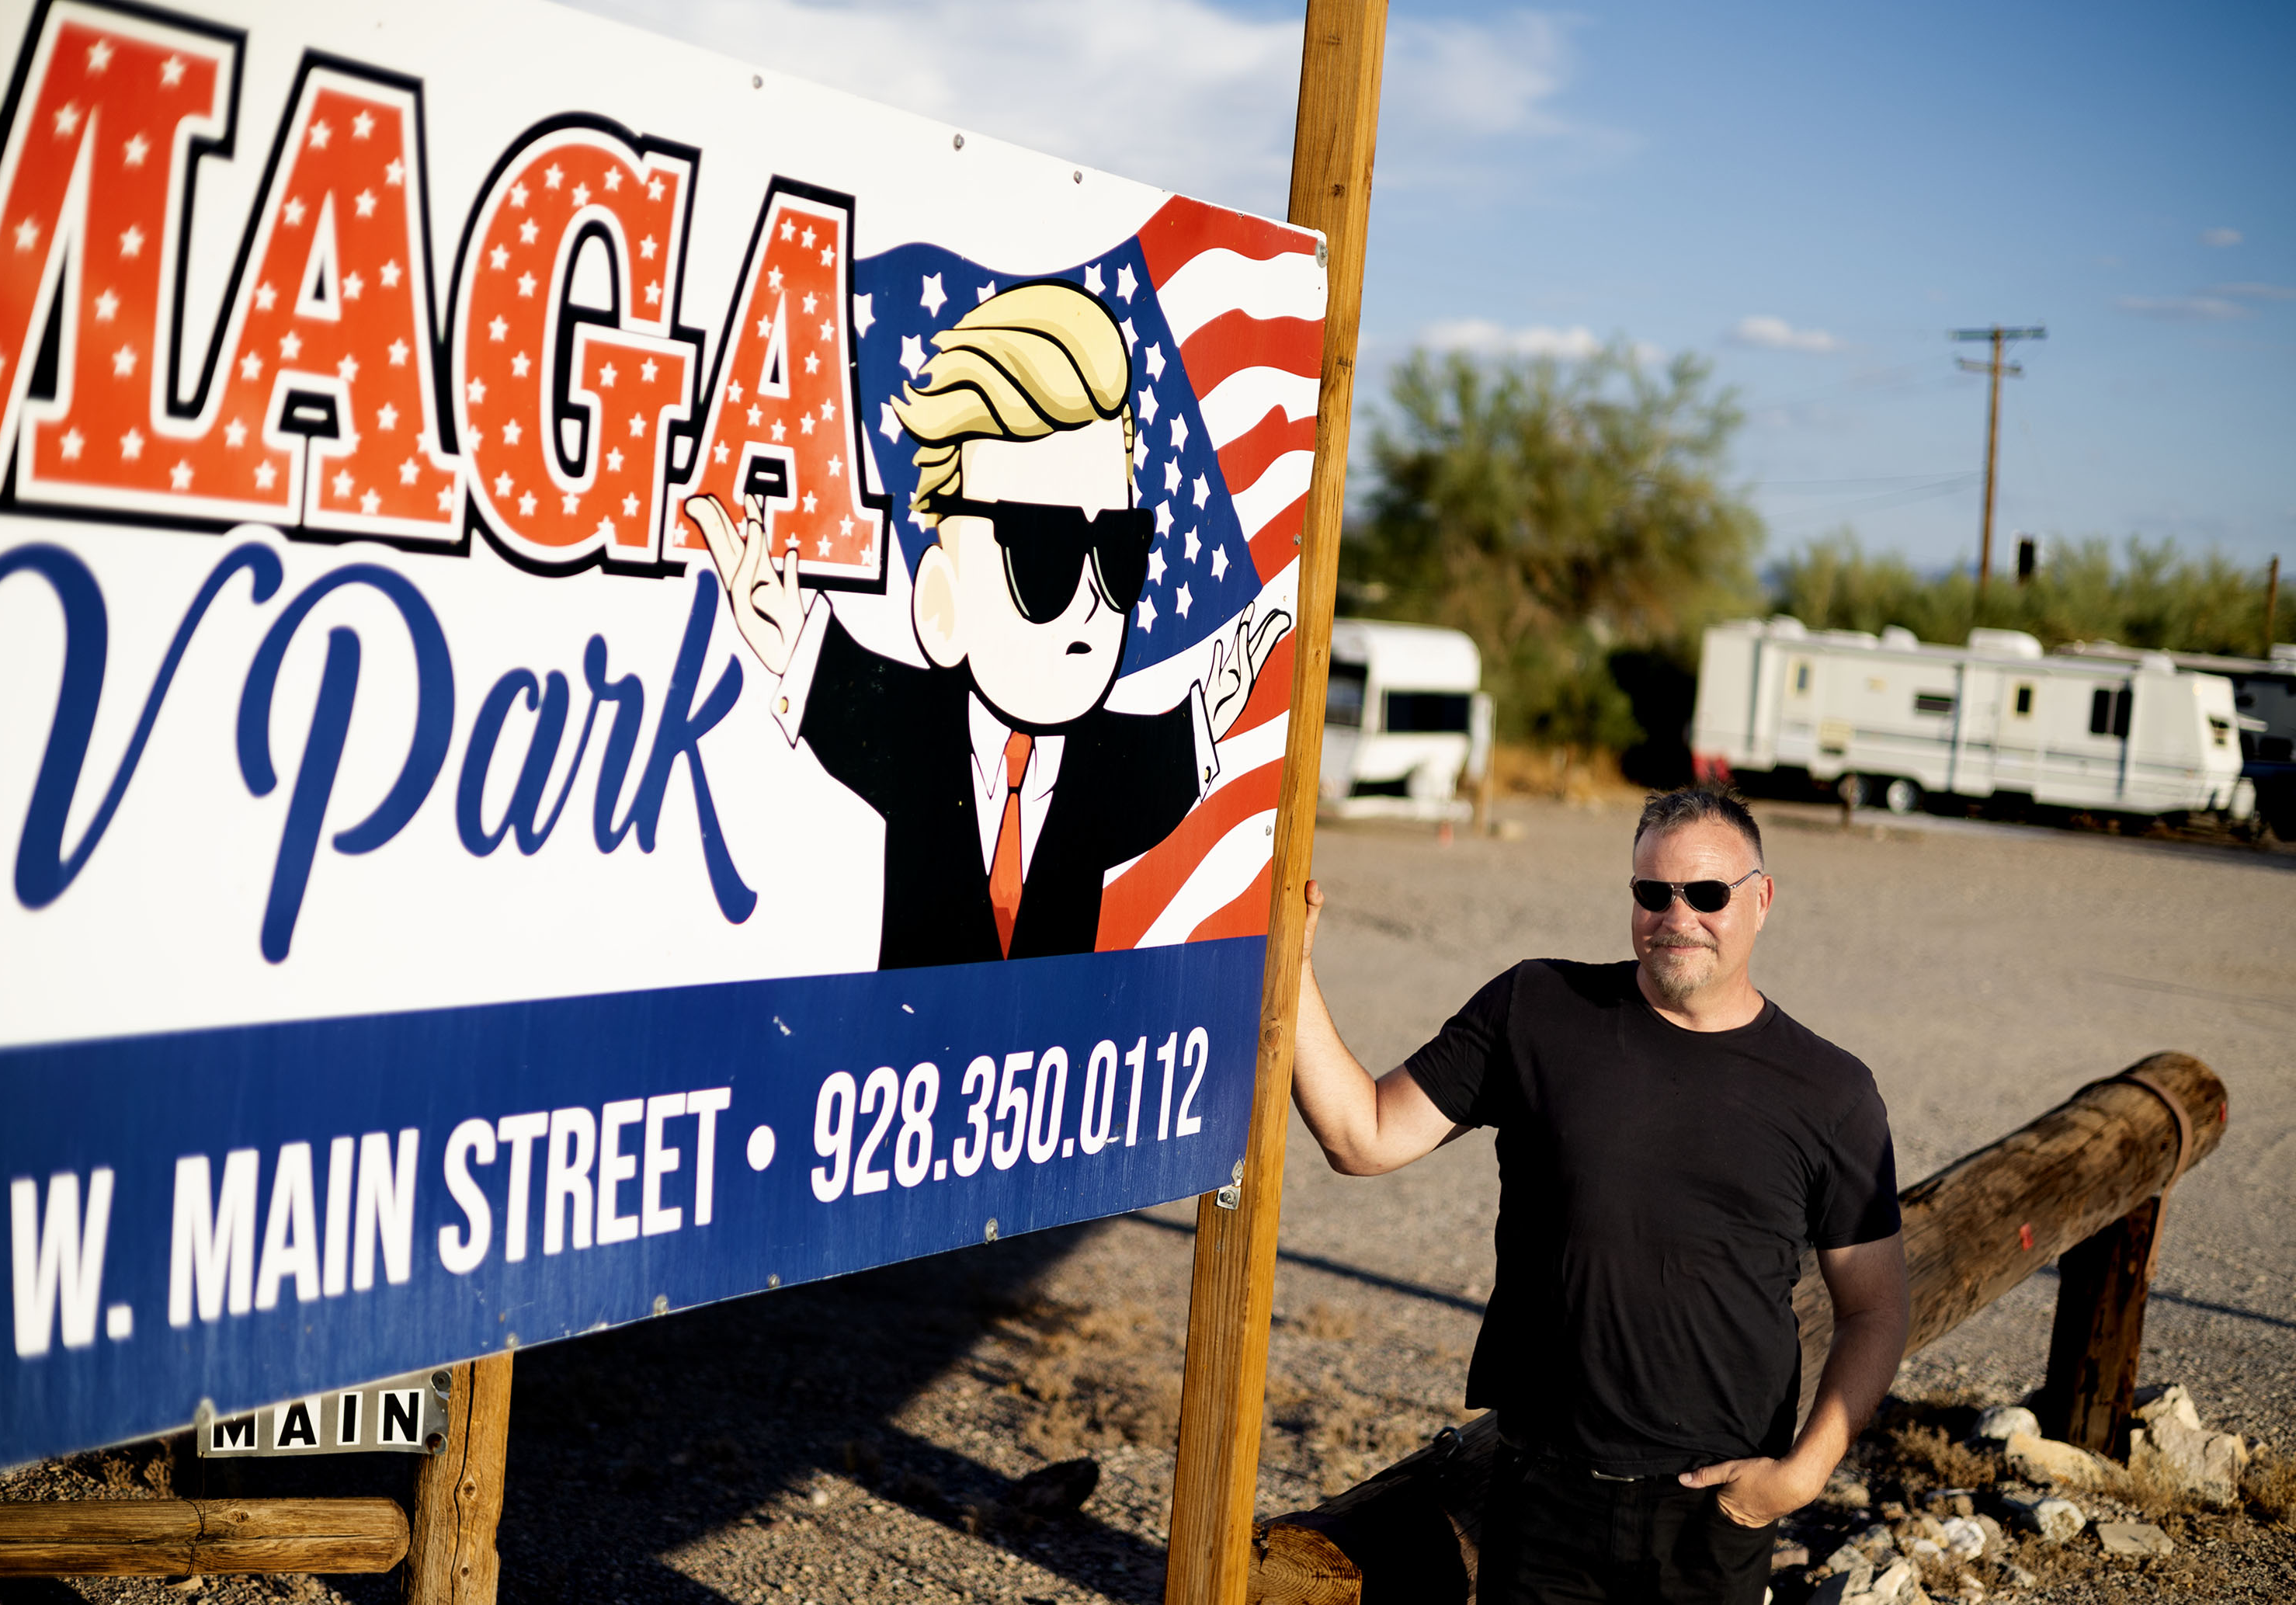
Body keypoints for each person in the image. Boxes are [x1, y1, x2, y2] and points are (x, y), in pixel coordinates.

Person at [1290, 784, 1909, 1605]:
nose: (1676, 914)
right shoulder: (1538, 1010)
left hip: (1714, 1515)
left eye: (1707, 894)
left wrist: (1799, 1476)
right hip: (1544, 1499)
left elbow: (1875, 1305)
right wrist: (1288, 969)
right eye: (1653, 892)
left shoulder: (1831, 1091)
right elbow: (1362, 1135)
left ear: (1761, 900)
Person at [688, 280, 1287, 969]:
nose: (1092, 593)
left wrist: (1211, 707)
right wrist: (794, 641)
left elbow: (1161, 766)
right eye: (1044, 551)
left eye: (1118, 549)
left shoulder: (1105, 765)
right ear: (943, 600)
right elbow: (851, 698)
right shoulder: (916, 734)